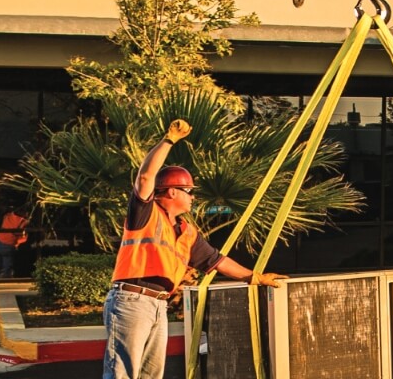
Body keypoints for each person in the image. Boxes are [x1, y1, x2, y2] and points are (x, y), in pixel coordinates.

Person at [103, 118, 284, 379]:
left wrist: (253, 277)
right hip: (131, 300)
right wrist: (169, 141)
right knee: (122, 373)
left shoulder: (187, 232)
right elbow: (145, 176)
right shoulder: (145, 213)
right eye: (188, 190)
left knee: (151, 375)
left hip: (157, 304)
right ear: (171, 192)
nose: (192, 196)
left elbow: (216, 260)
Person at [0, 194, 28, 279]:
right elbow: (21, 236)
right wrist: (18, 243)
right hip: (10, 243)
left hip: (0, 240)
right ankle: (5, 278)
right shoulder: (22, 222)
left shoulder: (7, 216)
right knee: (7, 264)